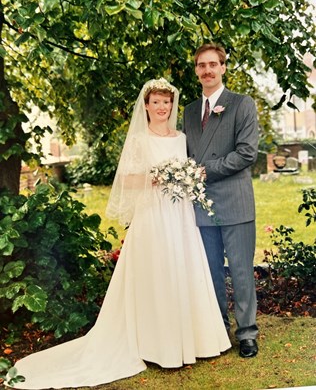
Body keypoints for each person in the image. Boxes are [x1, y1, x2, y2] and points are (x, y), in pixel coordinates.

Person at [9, 78, 230, 389]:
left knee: (182, 270)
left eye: (166, 102)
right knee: (157, 273)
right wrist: (157, 177)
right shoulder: (140, 140)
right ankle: (157, 345)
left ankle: (192, 341)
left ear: (171, 105)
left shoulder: (180, 138)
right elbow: (127, 180)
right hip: (153, 214)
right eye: (156, 102)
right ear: (147, 106)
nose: (162, 107)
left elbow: (188, 174)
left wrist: (184, 178)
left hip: (179, 214)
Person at [183, 44, 259, 358]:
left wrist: (203, 171)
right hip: (200, 205)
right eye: (201, 65)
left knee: (240, 271)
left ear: (224, 67)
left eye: (213, 64)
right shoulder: (188, 111)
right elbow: (185, 155)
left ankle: (247, 334)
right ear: (197, 71)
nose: (207, 71)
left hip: (235, 201)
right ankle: (218, 331)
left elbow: (246, 153)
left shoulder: (242, 104)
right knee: (210, 271)